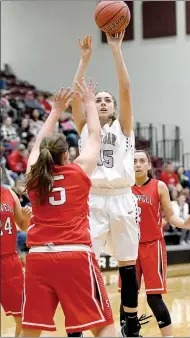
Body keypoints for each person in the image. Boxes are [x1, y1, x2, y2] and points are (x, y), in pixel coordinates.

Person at [21, 82, 115, 337]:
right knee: (103, 324)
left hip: (38, 257)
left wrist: (55, 111)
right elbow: (96, 136)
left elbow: (36, 145)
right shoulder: (78, 171)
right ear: (65, 156)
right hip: (74, 255)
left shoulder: (33, 175)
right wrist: (87, 102)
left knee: (31, 329)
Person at [71, 33, 141, 337]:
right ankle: (78, 325)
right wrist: (84, 61)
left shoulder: (123, 127)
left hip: (123, 198)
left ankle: (131, 324)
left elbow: (125, 89)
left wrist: (116, 50)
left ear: (113, 108)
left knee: (128, 266)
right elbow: (76, 95)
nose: (102, 101)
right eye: (97, 99)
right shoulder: (86, 126)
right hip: (92, 199)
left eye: (106, 100)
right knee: (83, 264)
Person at [119, 150, 190, 337]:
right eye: (134, 161)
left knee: (154, 297)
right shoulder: (122, 186)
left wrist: (183, 223)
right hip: (129, 247)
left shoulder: (159, 186)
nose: (138, 164)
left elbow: (171, 215)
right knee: (128, 295)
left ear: (149, 165)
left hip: (152, 246)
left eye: (142, 161)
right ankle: (126, 333)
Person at [0, 171, 32, 337]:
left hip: (10, 261)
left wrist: (26, 218)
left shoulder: (9, 193)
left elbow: (23, 226)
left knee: (23, 316)